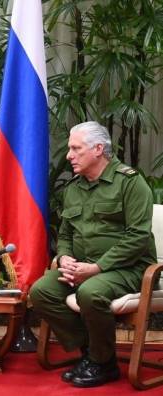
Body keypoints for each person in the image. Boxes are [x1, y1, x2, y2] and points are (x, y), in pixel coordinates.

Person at [30, 121, 156, 388]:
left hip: (131, 269)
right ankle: (95, 354)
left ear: (98, 149)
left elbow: (138, 237)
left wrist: (97, 268)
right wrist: (64, 258)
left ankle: (101, 362)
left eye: (76, 148)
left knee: (91, 292)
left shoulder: (131, 183)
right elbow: (65, 235)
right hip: (85, 268)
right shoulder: (74, 189)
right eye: (69, 149)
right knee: (41, 291)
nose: (68, 155)